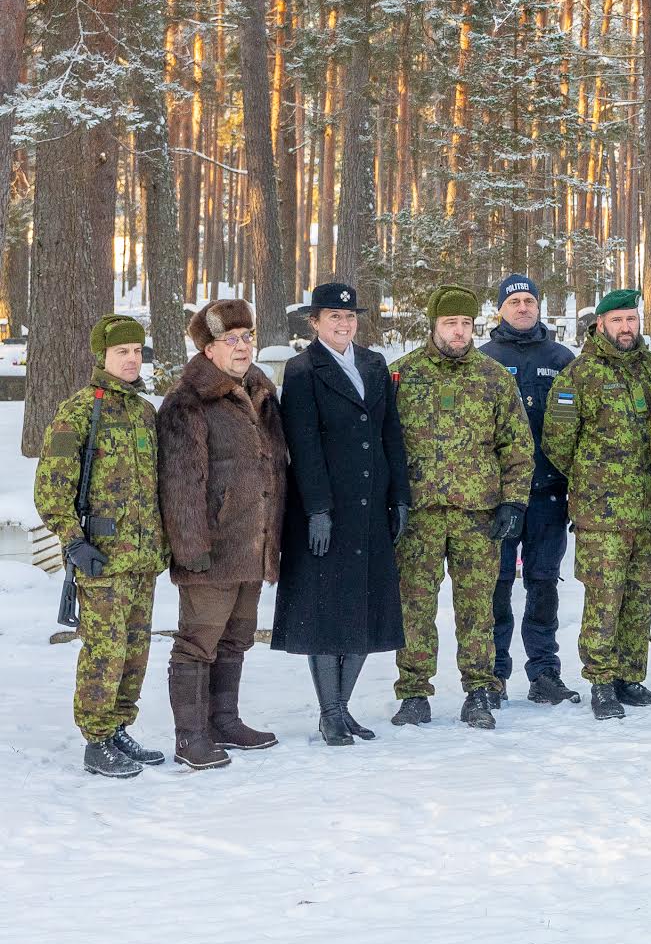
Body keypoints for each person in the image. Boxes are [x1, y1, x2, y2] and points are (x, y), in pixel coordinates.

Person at [389, 285, 534, 730]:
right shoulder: (401, 376)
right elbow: (382, 445)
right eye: (450, 323)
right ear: (433, 324)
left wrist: (514, 500)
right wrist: (391, 501)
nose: (459, 332)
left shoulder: (493, 377)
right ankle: (414, 692)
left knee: (478, 608)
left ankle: (479, 691)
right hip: (420, 516)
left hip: (479, 516)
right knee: (415, 606)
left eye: (466, 324)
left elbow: (517, 445)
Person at [273, 282, 410, 746]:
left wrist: (400, 497)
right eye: (334, 317)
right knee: (328, 611)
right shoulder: (302, 370)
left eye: (350, 317)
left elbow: (391, 433)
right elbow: (303, 444)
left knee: (365, 609)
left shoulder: (373, 363)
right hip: (327, 509)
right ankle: (330, 711)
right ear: (315, 322)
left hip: (372, 505)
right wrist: (317, 509)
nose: (344, 324)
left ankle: (343, 708)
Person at [157, 300, 288, 769]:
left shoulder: (260, 392)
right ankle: (190, 736)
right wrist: (191, 549)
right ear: (208, 349)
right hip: (211, 550)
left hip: (253, 545)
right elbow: (179, 483)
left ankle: (224, 721)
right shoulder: (187, 402)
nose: (242, 346)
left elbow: (274, 469)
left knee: (236, 639)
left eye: (247, 337)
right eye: (231, 340)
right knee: (198, 642)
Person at [35, 315, 165, 778]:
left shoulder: (144, 412)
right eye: (121, 353)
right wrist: (73, 542)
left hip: (142, 557)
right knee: (104, 652)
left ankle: (117, 729)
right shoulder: (78, 412)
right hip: (102, 558)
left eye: (136, 351)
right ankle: (96, 740)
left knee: (135, 649)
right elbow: (51, 489)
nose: (131, 360)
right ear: (102, 357)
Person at [544, 288, 651, 720]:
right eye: (616, 320)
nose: (625, 328)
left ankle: (630, 677)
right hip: (602, 515)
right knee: (605, 598)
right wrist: (595, 479)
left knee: (640, 599)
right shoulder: (577, 377)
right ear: (600, 324)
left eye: (631, 320)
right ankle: (601, 681)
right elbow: (557, 443)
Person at [481, 273, 581, 704]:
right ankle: (493, 672)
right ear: (500, 309)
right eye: (514, 301)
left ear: (539, 307)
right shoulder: (483, 359)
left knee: (543, 583)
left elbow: (579, 428)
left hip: (548, 494)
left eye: (529, 301)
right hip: (498, 498)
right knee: (497, 583)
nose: (522, 307)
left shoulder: (561, 359)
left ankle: (544, 672)